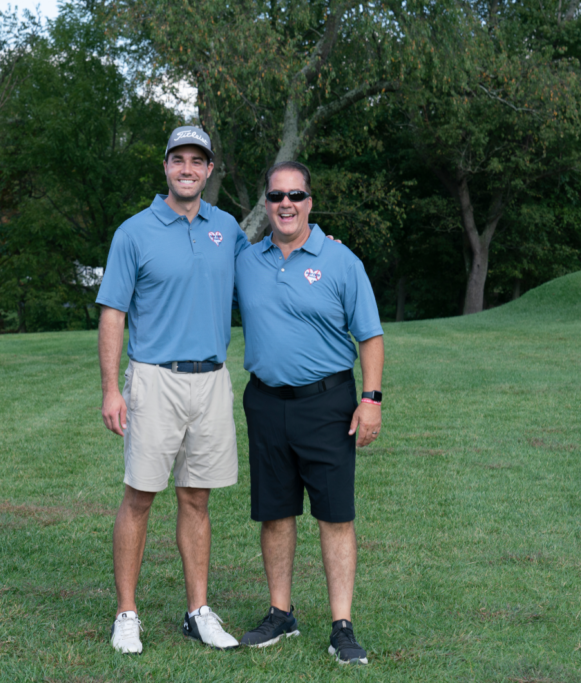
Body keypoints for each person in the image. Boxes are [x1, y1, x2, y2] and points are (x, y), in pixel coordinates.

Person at [96, 126, 248, 654]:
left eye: (197, 161)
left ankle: (198, 611)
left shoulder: (227, 228)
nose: (187, 168)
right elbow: (113, 312)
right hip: (154, 378)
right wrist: (111, 389)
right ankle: (126, 612)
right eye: (178, 159)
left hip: (211, 380)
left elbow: (270, 267)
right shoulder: (134, 232)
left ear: (209, 171)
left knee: (197, 498)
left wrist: (325, 246)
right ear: (166, 167)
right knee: (139, 496)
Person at [233, 161, 384, 665]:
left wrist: (372, 399)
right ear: (267, 204)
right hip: (266, 401)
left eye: (295, 195)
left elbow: (370, 335)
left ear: (310, 202)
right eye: (276, 196)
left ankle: (342, 625)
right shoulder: (246, 260)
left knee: (334, 515)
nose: (286, 204)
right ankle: (281, 613)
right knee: (274, 512)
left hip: (328, 404)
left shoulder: (341, 261)